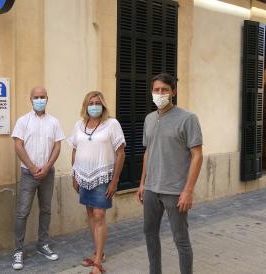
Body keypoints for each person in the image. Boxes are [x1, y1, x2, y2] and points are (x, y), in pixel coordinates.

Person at [137, 73, 203, 274]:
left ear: (173, 91)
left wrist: (188, 191)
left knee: (181, 240)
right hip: (150, 189)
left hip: (175, 191)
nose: (160, 93)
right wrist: (142, 183)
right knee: (150, 234)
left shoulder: (187, 119)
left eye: (164, 90)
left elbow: (197, 155)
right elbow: (148, 152)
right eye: (156, 90)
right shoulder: (149, 119)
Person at [69, 91, 125, 274]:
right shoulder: (79, 125)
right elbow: (75, 151)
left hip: (102, 176)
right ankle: (97, 252)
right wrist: (74, 175)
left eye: (97, 102)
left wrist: (115, 180)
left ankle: (98, 260)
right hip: (83, 176)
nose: (94, 106)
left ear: (103, 105)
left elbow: (120, 153)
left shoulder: (112, 124)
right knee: (91, 215)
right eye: (91, 103)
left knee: (99, 215)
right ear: (85, 106)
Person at [11, 86, 65, 270]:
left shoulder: (54, 122)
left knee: (46, 210)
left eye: (42, 97)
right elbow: (18, 145)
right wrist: (33, 167)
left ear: (47, 99)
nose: (39, 100)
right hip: (29, 173)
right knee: (22, 212)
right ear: (31, 99)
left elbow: (58, 146)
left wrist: (47, 166)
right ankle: (18, 250)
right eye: (36, 97)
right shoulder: (23, 121)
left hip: (48, 174)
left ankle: (42, 244)